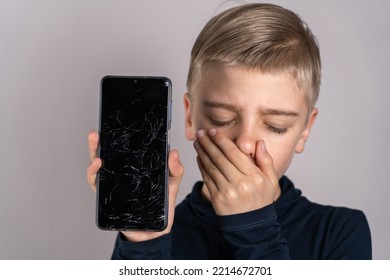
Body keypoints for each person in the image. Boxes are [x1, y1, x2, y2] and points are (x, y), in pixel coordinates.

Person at [87, 3, 371, 259]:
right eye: (221, 119)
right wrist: (144, 241)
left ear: (304, 131)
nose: (245, 143)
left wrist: (254, 226)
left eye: (276, 126)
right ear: (189, 117)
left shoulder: (340, 232)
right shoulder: (151, 234)